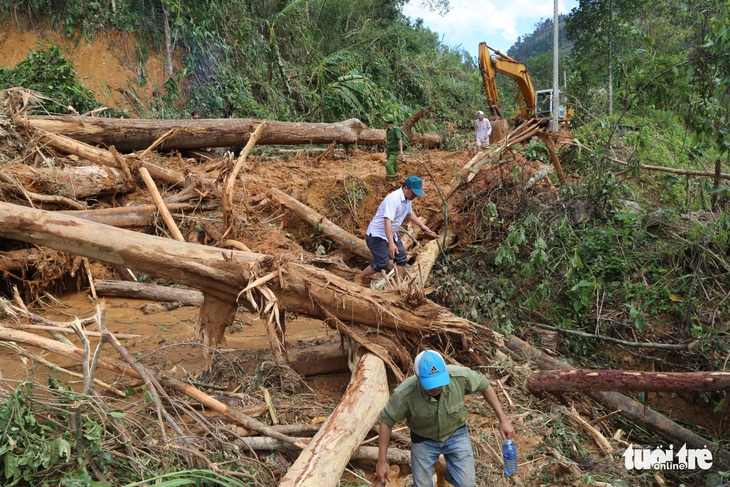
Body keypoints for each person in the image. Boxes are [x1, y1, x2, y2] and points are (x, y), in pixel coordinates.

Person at [376, 350, 515, 487]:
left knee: (466, 483)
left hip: (456, 434)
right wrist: (382, 460)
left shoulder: (459, 376)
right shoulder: (405, 394)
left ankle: (445, 471)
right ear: (418, 377)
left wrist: (503, 419)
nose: (436, 387)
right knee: (422, 484)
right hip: (423, 440)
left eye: (439, 382)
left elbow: (485, 385)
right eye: (430, 384)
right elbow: (387, 421)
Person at [355, 176, 431, 286]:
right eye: (414, 193)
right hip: (377, 235)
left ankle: (397, 285)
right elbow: (387, 222)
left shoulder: (407, 199)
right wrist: (391, 244)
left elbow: (409, 213)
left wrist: (422, 226)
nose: (415, 196)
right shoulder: (393, 199)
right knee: (382, 262)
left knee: (401, 258)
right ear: (406, 188)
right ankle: (360, 276)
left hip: (391, 233)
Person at [383, 113, 406, 181]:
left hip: (395, 152)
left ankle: (392, 181)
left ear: (387, 122)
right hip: (389, 151)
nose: (384, 122)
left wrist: (401, 151)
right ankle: (399, 179)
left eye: (384, 121)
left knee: (388, 165)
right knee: (394, 166)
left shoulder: (396, 129)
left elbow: (399, 139)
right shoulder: (388, 130)